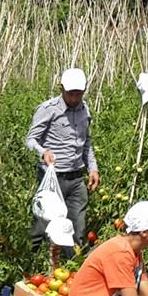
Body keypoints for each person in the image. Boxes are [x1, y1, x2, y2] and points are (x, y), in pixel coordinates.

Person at [26, 67, 98, 268]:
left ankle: (71, 269)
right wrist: (43, 152)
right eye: (71, 93)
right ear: (61, 89)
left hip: (76, 178)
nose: (75, 98)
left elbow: (86, 142)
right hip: (52, 177)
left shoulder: (85, 109)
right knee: (41, 225)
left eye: (79, 93)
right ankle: (28, 266)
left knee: (76, 227)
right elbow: (30, 140)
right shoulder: (48, 109)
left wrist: (93, 167)